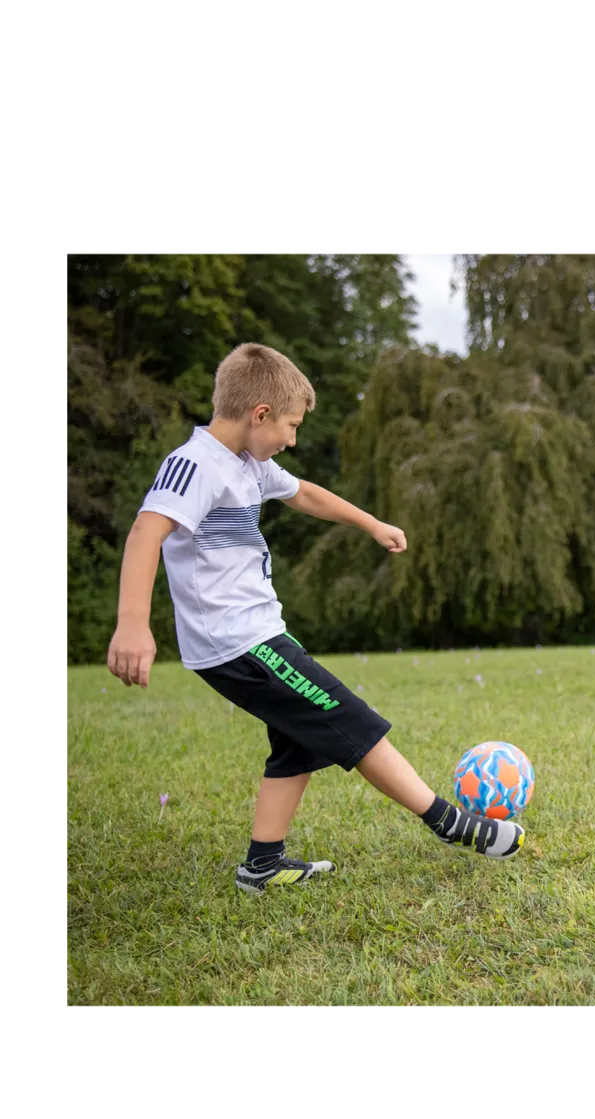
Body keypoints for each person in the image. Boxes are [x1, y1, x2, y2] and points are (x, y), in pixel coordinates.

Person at [106, 343, 523, 893]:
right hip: (237, 642)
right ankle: (446, 822)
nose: (292, 440)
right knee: (350, 719)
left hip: (257, 634)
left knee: (298, 739)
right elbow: (146, 532)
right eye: (290, 426)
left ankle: (262, 864)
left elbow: (304, 494)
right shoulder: (194, 464)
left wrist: (371, 523)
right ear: (259, 415)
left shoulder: (249, 464)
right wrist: (133, 623)